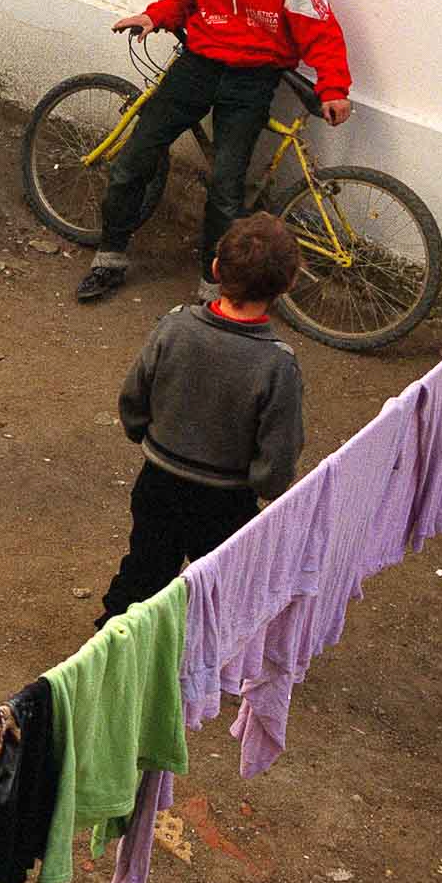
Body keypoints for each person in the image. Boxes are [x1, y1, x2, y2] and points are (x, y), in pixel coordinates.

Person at [76, 0, 352, 306]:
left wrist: (334, 86)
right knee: (135, 155)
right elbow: (185, 2)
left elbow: (321, 30)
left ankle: (212, 284)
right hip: (198, 66)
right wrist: (153, 17)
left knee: (226, 185)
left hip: (253, 77)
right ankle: (109, 257)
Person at [93, 213, 306, 628]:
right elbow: (278, 455)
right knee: (219, 587)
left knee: (144, 571)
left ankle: (111, 644)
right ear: (288, 285)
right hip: (226, 502)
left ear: (215, 269)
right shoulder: (278, 365)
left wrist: (145, 434)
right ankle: (201, 660)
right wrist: (264, 485)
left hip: (158, 483)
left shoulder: (174, 325)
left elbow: (134, 398)